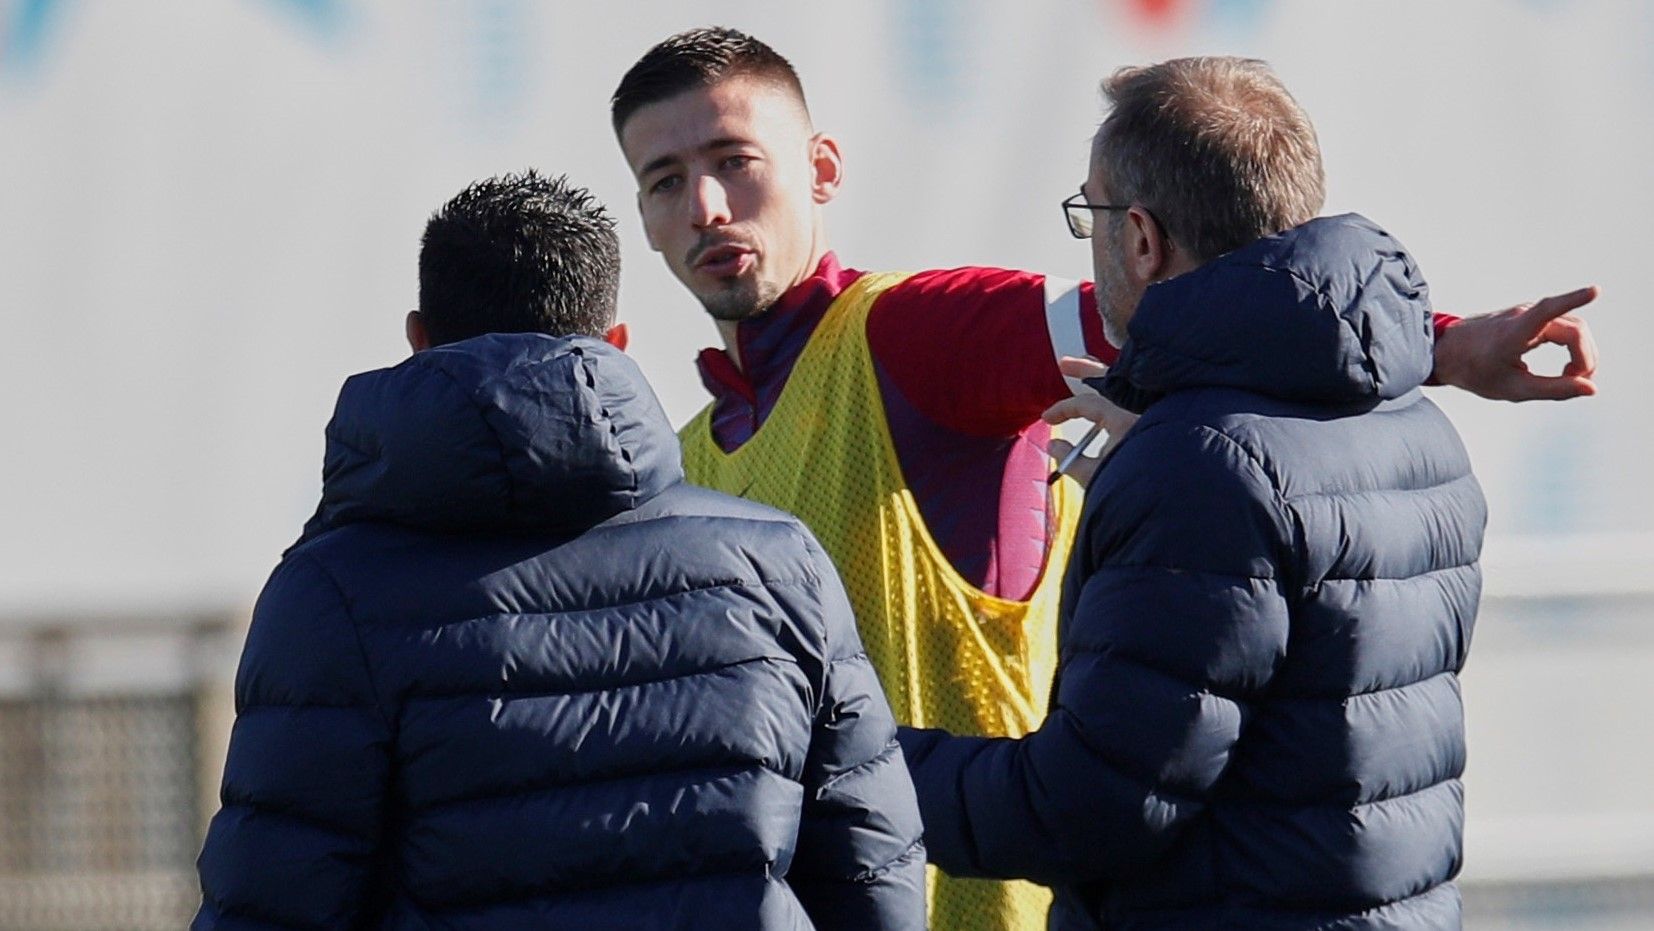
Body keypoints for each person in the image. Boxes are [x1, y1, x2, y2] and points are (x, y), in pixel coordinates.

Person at [611, 26, 1596, 931]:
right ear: (643, 217)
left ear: (821, 169)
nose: (705, 204)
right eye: (665, 179)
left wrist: (1447, 345)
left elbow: (1200, 305)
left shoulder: (913, 335)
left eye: (734, 160)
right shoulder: (688, 451)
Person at [191, 171, 925, 931]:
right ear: (616, 344)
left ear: (418, 339)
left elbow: (271, 900)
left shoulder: (330, 594)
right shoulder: (779, 565)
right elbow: (874, 870)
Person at [897, 57, 1494, 929]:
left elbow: (1088, 809)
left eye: (1091, 215)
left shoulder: (1201, 470)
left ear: (1141, 238)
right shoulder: (1407, 423)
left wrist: (849, 765)